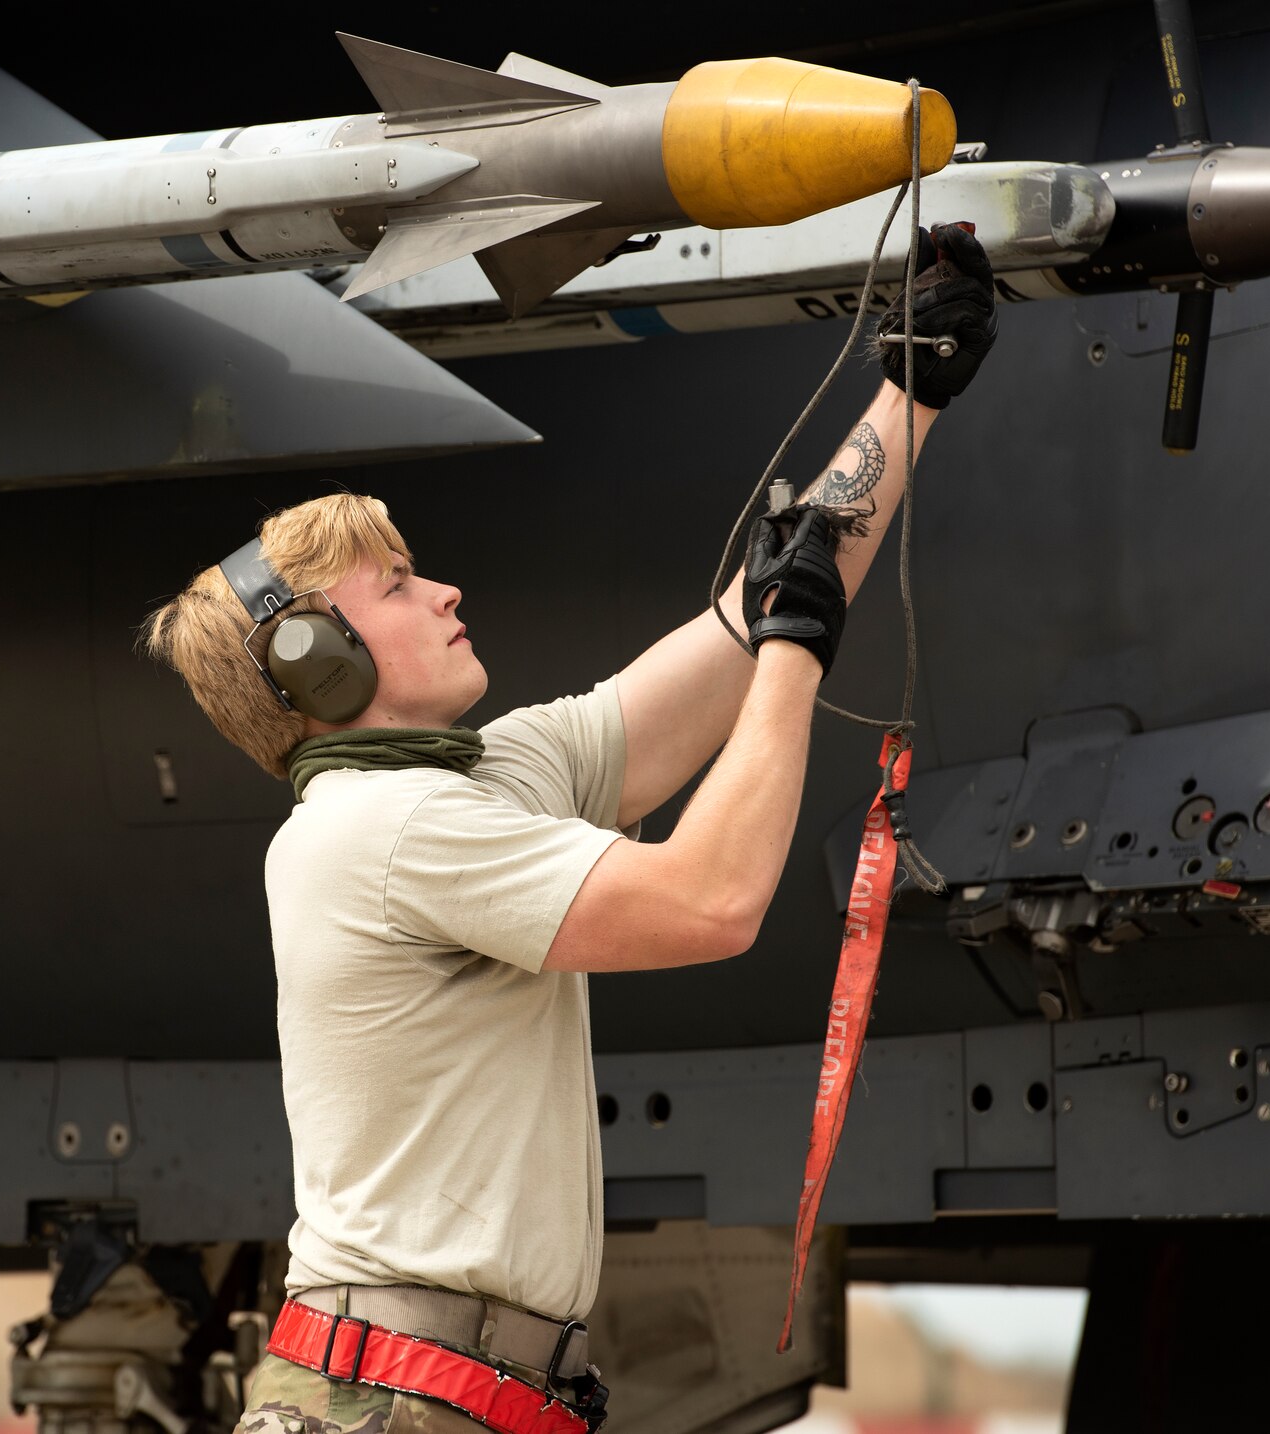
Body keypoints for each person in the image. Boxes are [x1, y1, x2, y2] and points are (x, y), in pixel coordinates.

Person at [143, 225, 996, 1434]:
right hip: (393, 1403)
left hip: (446, 1396)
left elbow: (761, 609)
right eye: (395, 587)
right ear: (315, 664)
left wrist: (907, 393)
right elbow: (712, 900)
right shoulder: (390, 828)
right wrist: (797, 656)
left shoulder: (478, 781)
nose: (442, 591)